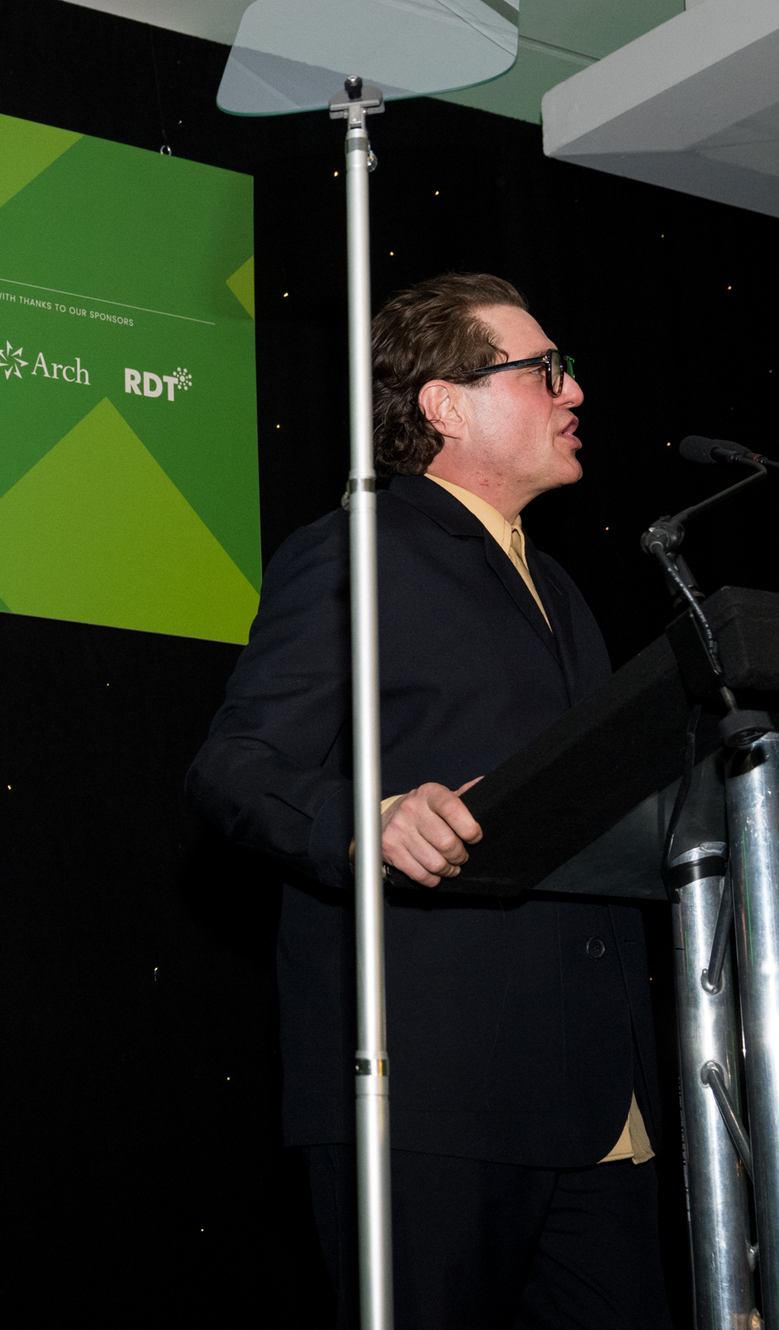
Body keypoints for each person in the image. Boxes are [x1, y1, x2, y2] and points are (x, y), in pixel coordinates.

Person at [188, 274, 666, 1328]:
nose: (574, 391)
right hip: (434, 1098)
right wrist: (370, 821)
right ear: (445, 403)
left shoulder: (560, 587)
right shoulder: (355, 548)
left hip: (599, 1110)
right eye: (544, 371)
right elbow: (235, 767)